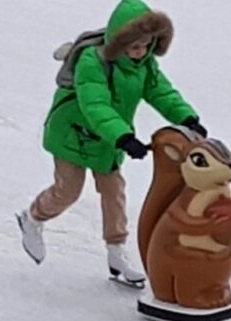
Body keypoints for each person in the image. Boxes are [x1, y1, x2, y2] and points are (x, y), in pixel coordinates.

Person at [16, 0, 207, 284]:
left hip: (107, 142)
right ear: (119, 40)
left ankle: (116, 253)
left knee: (114, 193)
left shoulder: (145, 65)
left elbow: (162, 93)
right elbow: (96, 105)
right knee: (68, 191)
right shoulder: (93, 62)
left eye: (147, 44)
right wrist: (124, 137)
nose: (140, 51)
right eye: (134, 45)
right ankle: (32, 218)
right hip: (73, 134)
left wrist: (187, 118)